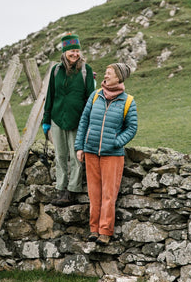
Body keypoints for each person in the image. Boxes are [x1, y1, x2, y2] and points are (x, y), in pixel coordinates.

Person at [75, 63, 138, 245]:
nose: (106, 75)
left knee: (109, 195)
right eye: (106, 72)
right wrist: (80, 147)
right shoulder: (95, 96)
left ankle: (105, 231)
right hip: (91, 152)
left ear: (119, 77)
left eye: (109, 73)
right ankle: (94, 230)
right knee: (94, 194)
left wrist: (115, 143)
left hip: (113, 156)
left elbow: (131, 128)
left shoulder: (128, 101)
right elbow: (84, 121)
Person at [42, 33, 95, 206]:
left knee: (76, 155)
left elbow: (90, 98)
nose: (75, 54)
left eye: (77, 51)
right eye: (71, 51)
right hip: (58, 118)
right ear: (64, 52)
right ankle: (60, 188)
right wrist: (46, 119)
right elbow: (50, 95)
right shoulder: (56, 70)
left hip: (77, 120)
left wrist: (87, 121)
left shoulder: (86, 70)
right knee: (60, 155)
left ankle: (71, 191)